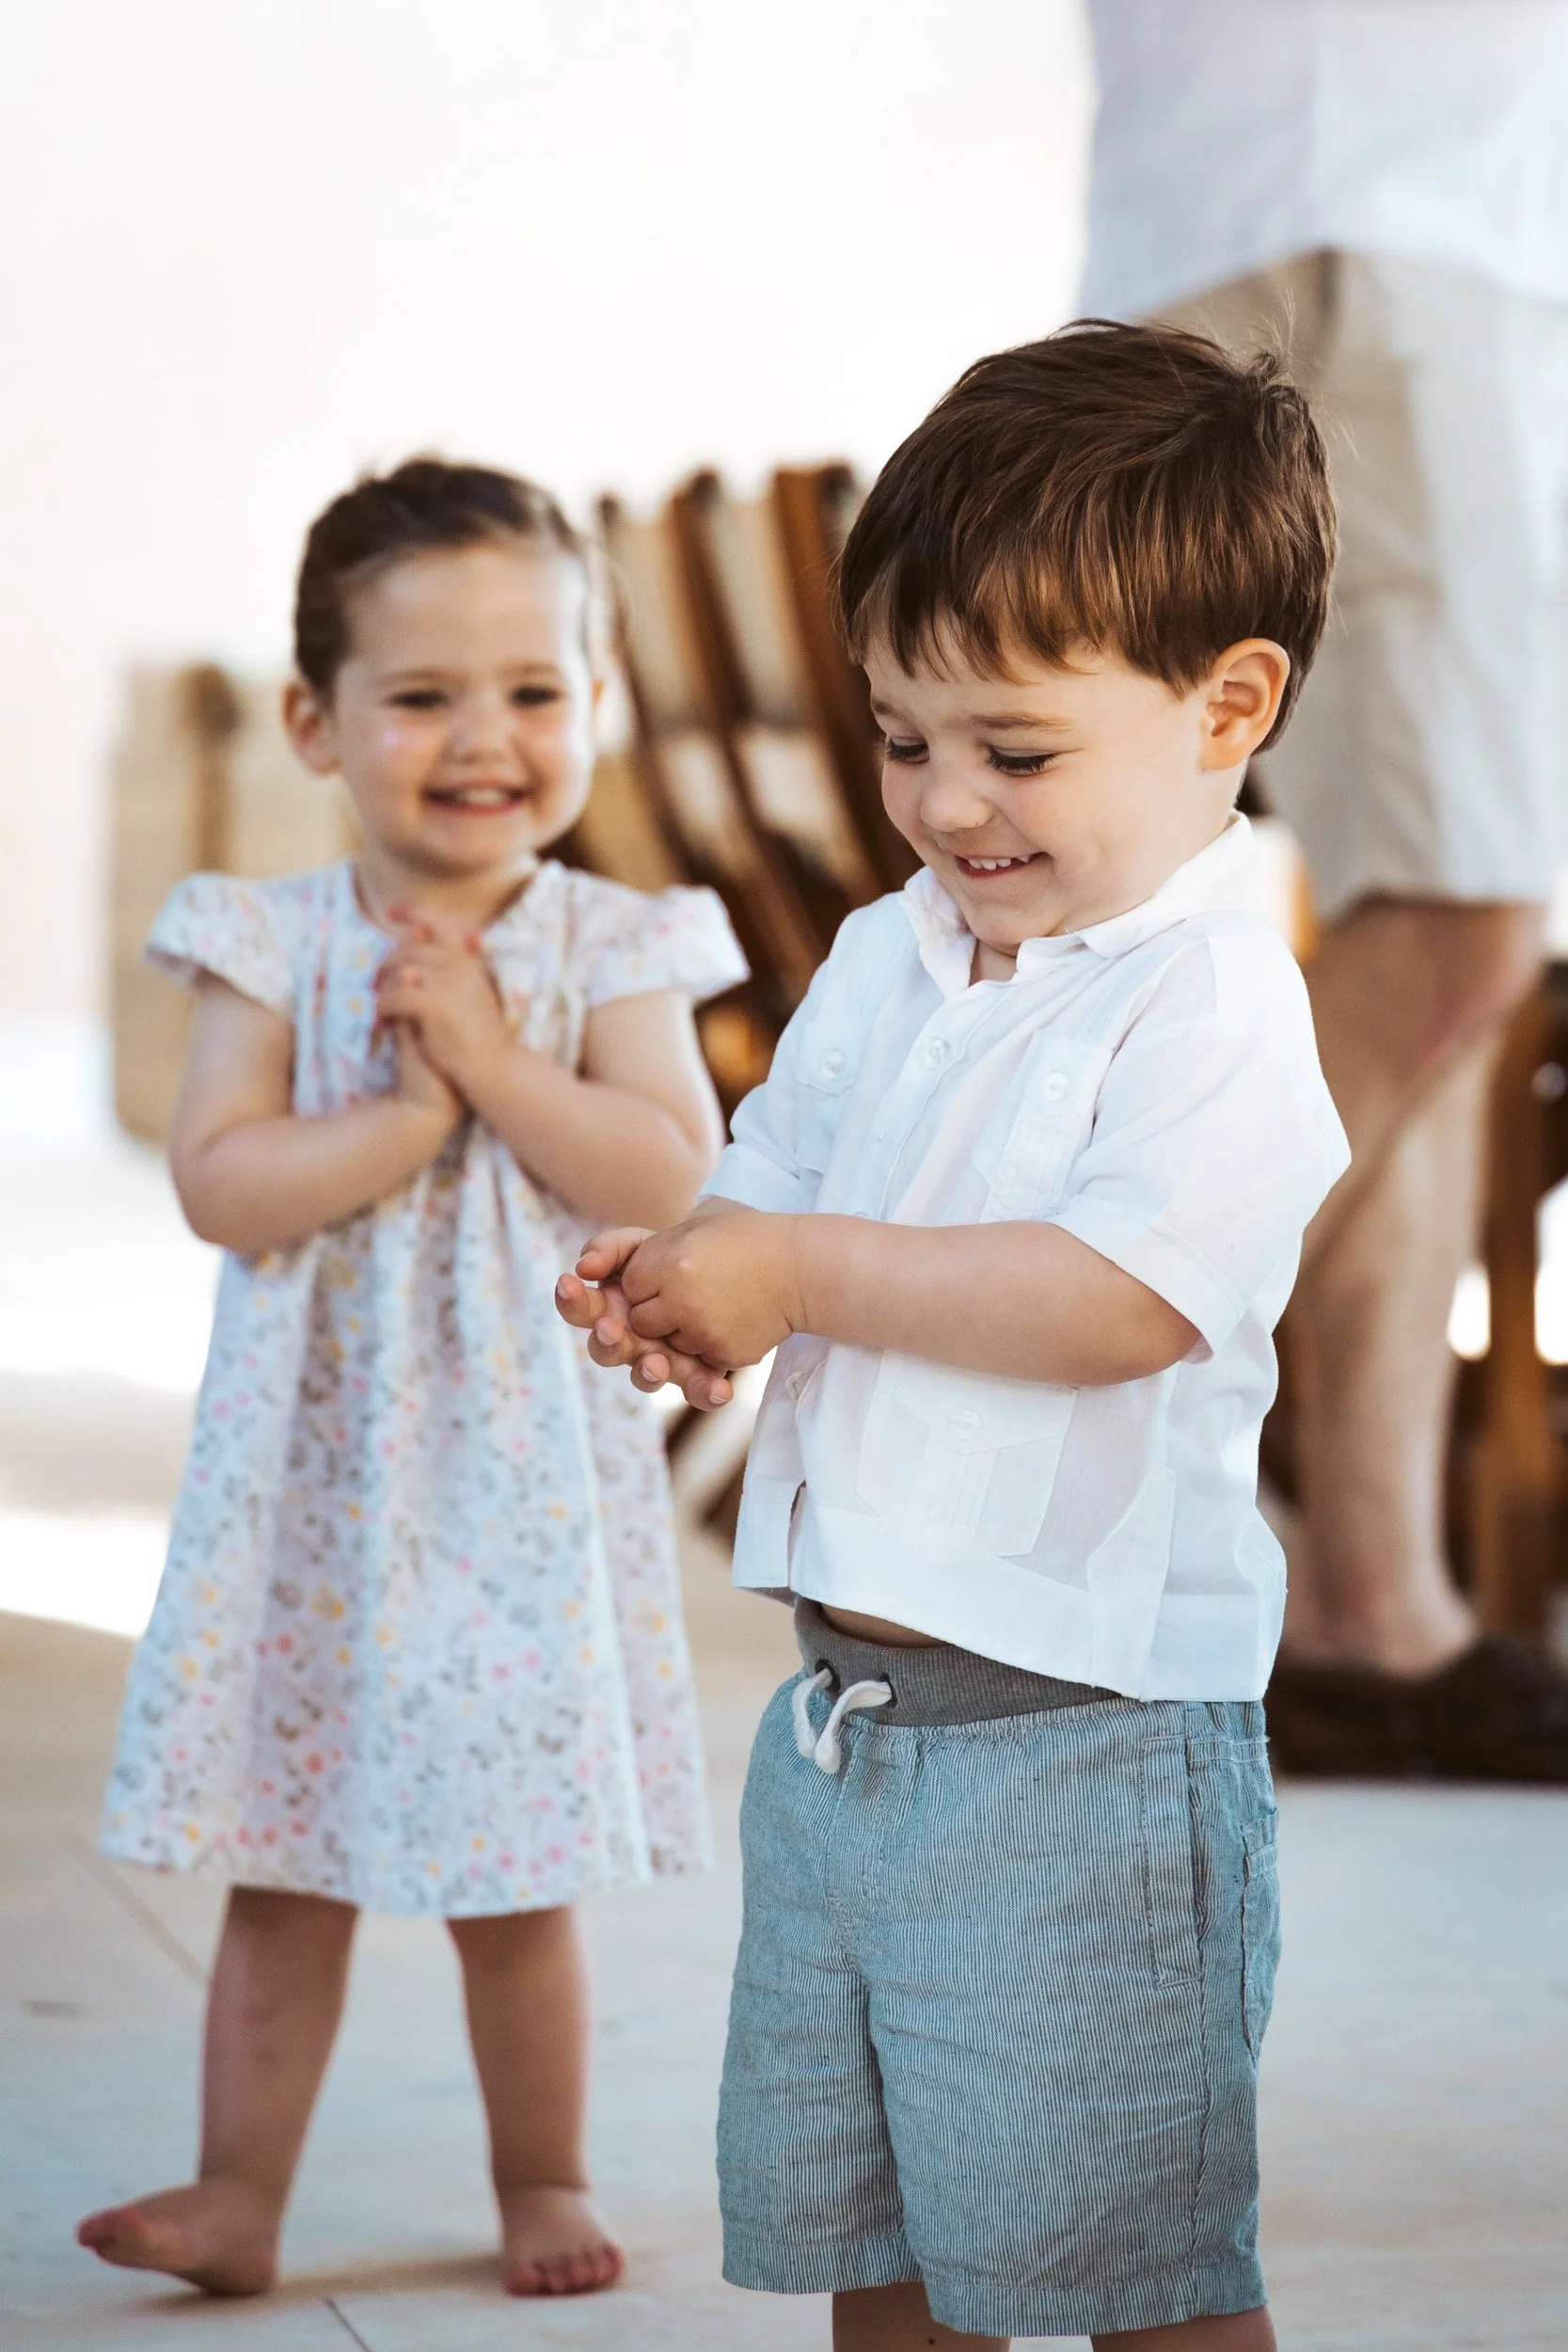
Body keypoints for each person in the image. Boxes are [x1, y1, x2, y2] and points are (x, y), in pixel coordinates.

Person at [559, 323, 1348, 2350]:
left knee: (1124, 2258)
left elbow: (1112, 1301)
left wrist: (800, 1269)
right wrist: (693, 1270)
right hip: (849, 1735)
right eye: (904, 738)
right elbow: (770, 1170)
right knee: (879, 2238)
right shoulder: (884, 955)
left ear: (1223, 705)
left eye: (1009, 747)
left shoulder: (1208, 1003)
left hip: (1082, 1755)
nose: (941, 801)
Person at [78, 458, 746, 2298]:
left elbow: (666, 1170)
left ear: (593, 705)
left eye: (534, 690)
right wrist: (401, 1109)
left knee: (511, 1872)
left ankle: (541, 2174)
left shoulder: (612, 945)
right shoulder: (265, 937)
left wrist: (494, 1063)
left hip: (518, 1480)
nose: (485, 737)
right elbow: (224, 1180)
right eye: (422, 694)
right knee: (280, 1852)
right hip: (315, 1483)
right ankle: (236, 2190)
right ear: (314, 720)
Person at [1082, 0, 1568, 1779]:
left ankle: (1377, 1610)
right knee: (1459, 921)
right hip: (1380, 220)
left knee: (1417, 937)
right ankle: (1012, 1414)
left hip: (1256, 203)